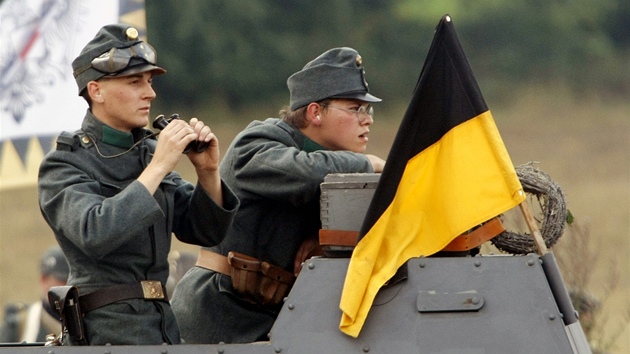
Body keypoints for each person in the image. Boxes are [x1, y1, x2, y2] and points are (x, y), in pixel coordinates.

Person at [37, 23, 239, 345]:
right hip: (106, 333)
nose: (150, 93)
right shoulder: (65, 163)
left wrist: (208, 172)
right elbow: (95, 232)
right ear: (96, 90)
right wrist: (159, 166)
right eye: (134, 82)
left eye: (149, 81)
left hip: (162, 329)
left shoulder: (146, 153)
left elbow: (205, 231)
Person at [171, 47, 386, 344]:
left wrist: (321, 240)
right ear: (315, 112)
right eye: (355, 108)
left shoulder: (330, 161)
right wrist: (368, 164)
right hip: (217, 316)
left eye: (368, 110)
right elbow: (303, 174)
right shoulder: (258, 142)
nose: (367, 120)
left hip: (273, 318)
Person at [0, 246, 69, 343]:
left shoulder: (89, 323)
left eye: (73, 281)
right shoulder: (20, 325)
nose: (68, 286)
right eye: (62, 280)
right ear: (44, 280)